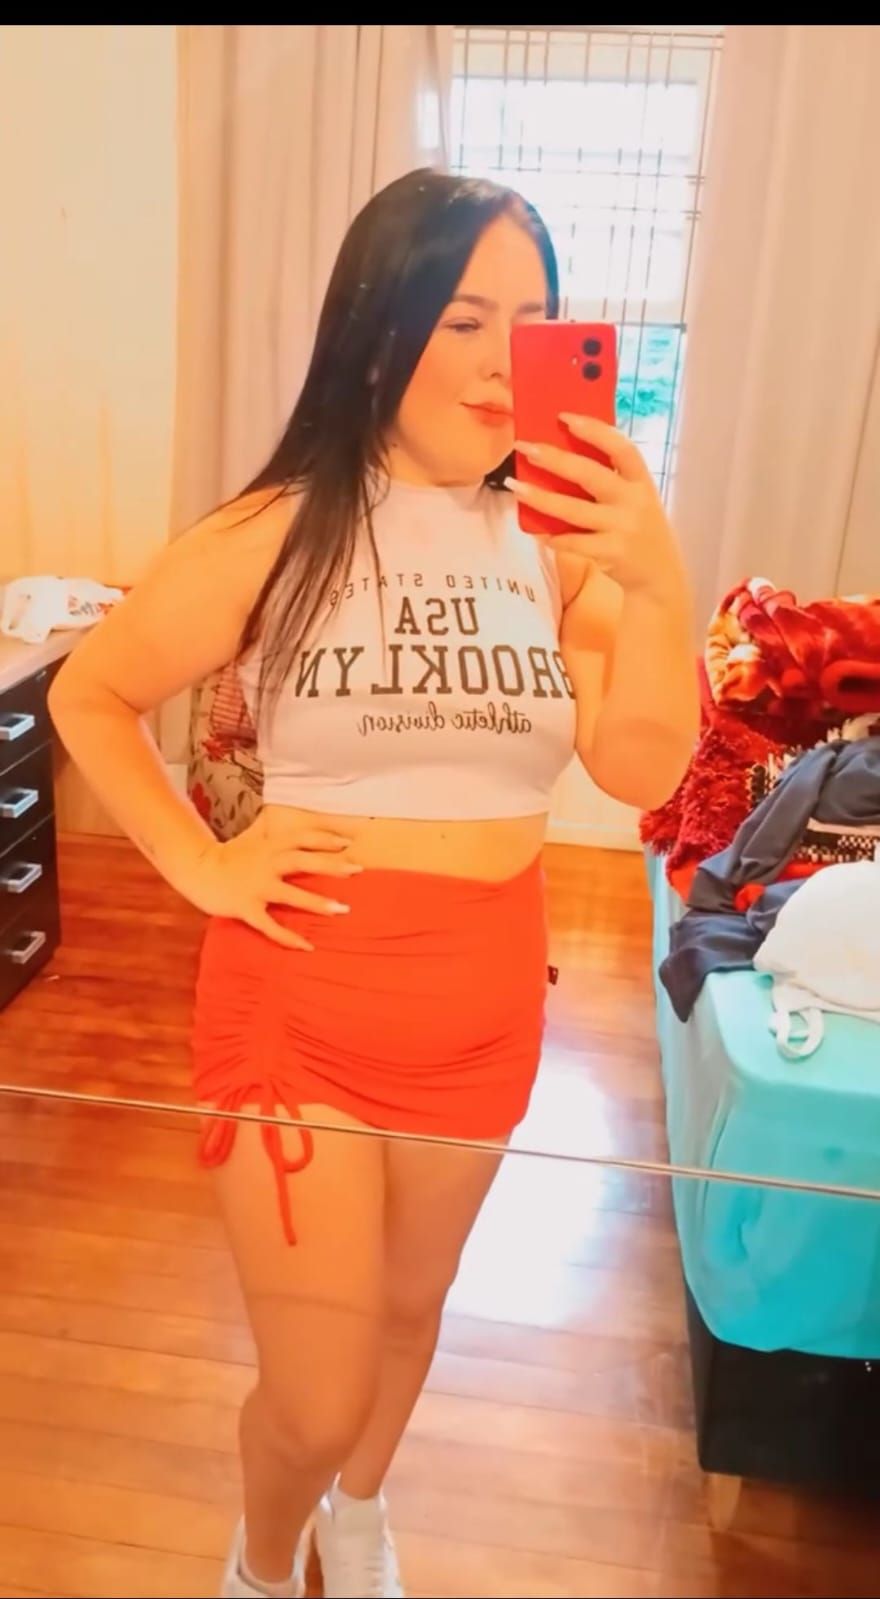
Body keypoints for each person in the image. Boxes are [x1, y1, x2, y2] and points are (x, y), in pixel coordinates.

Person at [49, 169, 699, 1599]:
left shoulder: (558, 553)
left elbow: (644, 764)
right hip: (301, 1008)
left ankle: (356, 1511)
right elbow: (91, 694)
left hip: (485, 1011)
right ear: (377, 325)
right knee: (316, 1384)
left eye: (531, 321)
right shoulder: (275, 530)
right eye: (463, 319)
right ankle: (260, 1563)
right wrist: (202, 864)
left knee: (411, 1309)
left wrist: (656, 578)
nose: (501, 359)